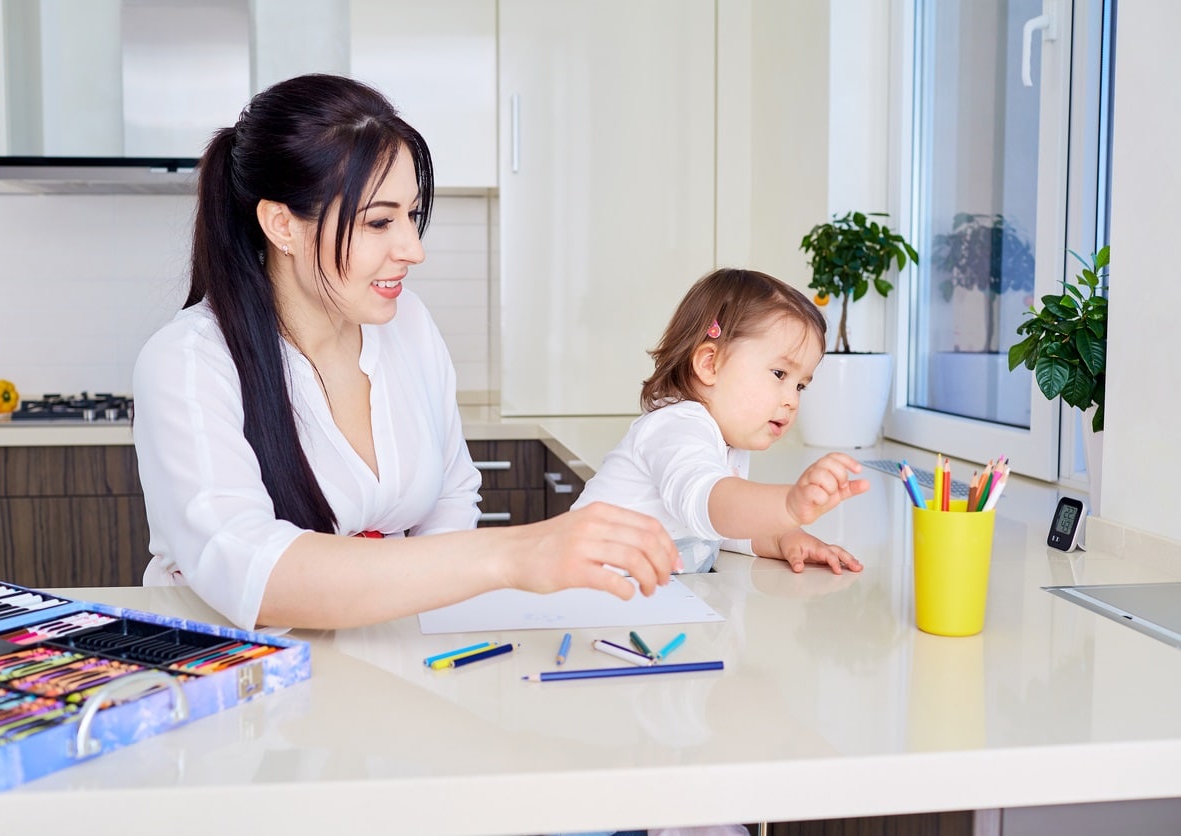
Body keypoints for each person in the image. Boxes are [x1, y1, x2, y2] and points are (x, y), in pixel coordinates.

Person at [132, 74, 678, 631]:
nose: (413, 249)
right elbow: (252, 572)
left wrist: (415, 620)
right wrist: (514, 554)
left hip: (394, 652)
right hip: (243, 682)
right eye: (379, 221)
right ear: (282, 225)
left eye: (411, 216)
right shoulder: (188, 361)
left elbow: (452, 493)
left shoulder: (408, 324)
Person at [571, 268, 869, 575]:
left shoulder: (726, 440)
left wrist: (784, 537)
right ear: (710, 363)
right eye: (779, 374)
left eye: (800, 386)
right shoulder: (678, 426)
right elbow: (708, 503)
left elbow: (718, 527)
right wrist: (787, 506)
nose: (792, 400)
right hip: (582, 593)